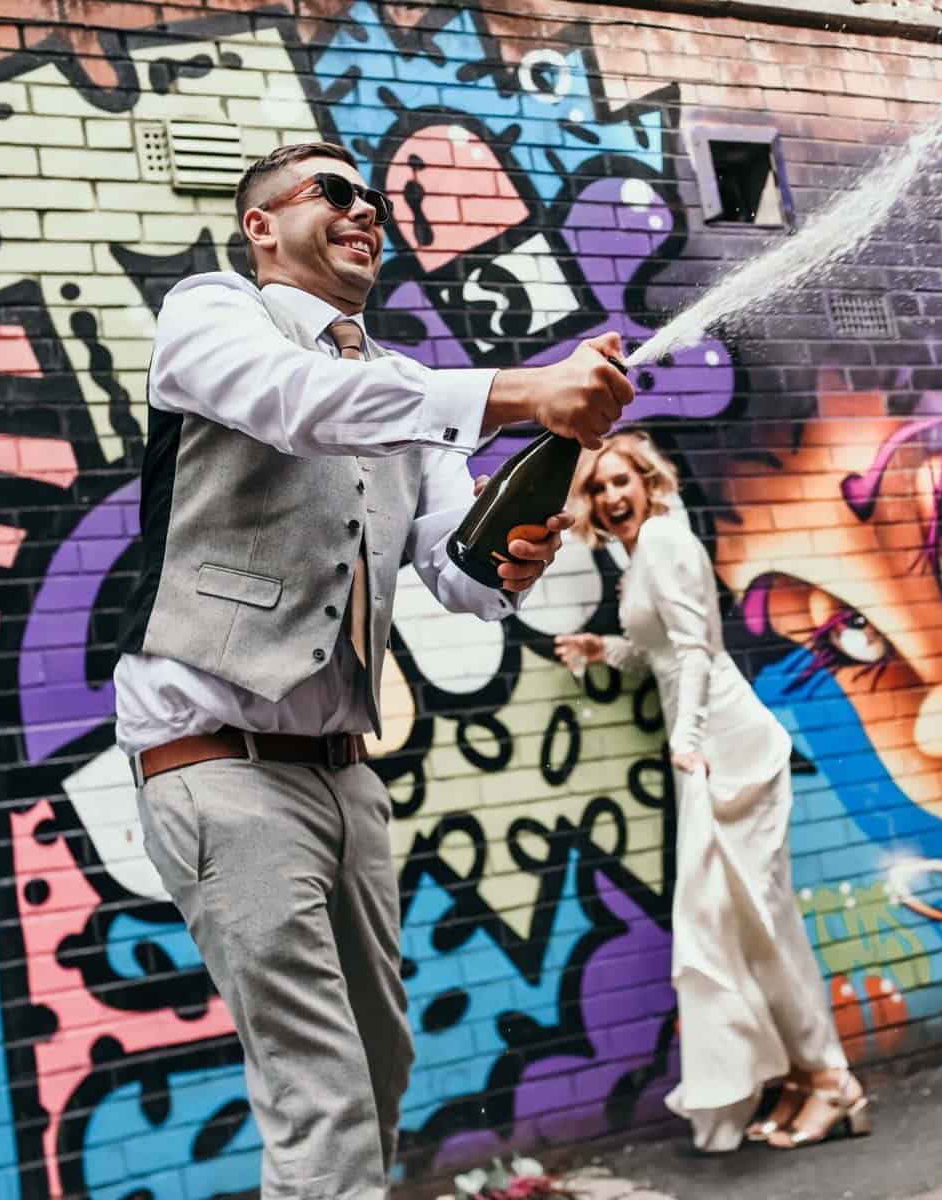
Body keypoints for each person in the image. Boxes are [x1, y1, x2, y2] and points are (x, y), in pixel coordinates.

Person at [114, 141, 634, 1200]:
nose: (366, 210)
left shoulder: (400, 388)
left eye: (376, 200)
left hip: (344, 775)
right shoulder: (213, 315)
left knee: (379, 1066)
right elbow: (294, 401)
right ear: (260, 225)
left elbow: (461, 576)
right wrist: (527, 390)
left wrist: (521, 537)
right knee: (323, 1094)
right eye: (335, 192)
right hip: (216, 762)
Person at [553, 432, 867, 1153]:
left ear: (649, 482)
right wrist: (605, 649)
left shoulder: (663, 541)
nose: (610, 497)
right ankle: (798, 1075)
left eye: (620, 481)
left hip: (728, 748)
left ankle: (832, 1081)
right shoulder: (639, 556)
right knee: (738, 930)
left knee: (762, 922)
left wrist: (687, 740)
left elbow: (698, 652)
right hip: (705, 747)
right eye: (598, 489)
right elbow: (664, 654)